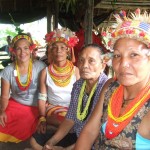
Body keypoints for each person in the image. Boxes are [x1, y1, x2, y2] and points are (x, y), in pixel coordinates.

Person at [75, 8, 150, 150]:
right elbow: (89, 132)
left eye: (134, 55)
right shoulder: (111, 87)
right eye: (117, 55)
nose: (123, 64)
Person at [31, 43, 108, 150]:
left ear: (103, 65)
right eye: (81, 60)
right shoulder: (78, 85)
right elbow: (70, 118)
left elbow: (99, 132)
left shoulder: (107, 88)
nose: (84, 65)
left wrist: (68, 149)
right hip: (77, 133)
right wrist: (51, 142)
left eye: (91, 61)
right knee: (35, 141)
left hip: (96, 141)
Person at [29, 28, 80, 149]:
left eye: (62, 47)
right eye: (55, 47)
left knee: (70, 120)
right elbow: (42, 98)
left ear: (68, 50)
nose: (58, 51)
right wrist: (42, 118)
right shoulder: (45, 72)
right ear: (51, 50)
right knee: (63, 121)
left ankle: (55, 135)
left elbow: (80, 97)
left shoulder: (75, 71)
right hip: (53, 109)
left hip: (71, 109)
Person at [0, 33, 46, 143]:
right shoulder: (8, 71)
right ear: (13, 51)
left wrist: (42, 114)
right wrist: (2, 111)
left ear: (31, 49)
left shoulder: (40, 67)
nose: (22, 52)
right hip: (15, 103)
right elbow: (5, 96)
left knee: (24, 123)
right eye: (18, 49)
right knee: (2, 121)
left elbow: (45, 93)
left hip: (36, 106)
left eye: (26, 48)